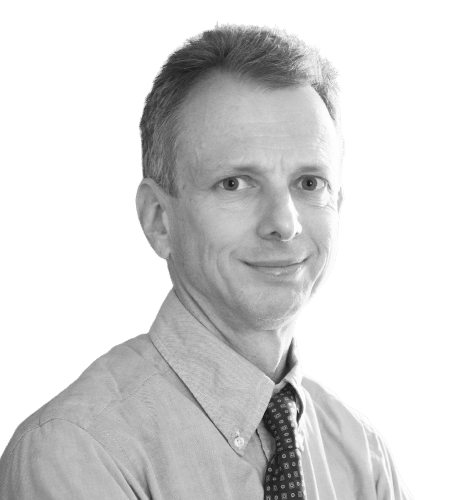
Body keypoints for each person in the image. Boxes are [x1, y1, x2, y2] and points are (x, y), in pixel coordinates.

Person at [0, 22, 414, 499]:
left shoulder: (362, 453)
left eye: (309, 183)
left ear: (338, 203)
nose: (285, 223)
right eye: (235, 183)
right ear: (159, 220)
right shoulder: (80, 451)